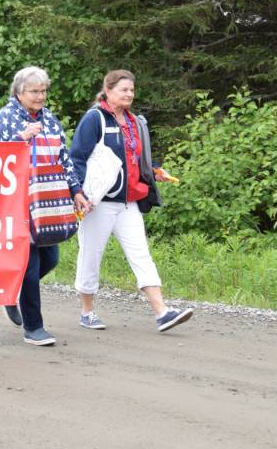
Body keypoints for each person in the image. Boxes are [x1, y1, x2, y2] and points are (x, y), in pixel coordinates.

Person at [69, 69, 193, 332]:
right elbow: (77, 157)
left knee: (141, 254)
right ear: (109, 90)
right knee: (91, 256)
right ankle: (87, 312)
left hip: (129, 202)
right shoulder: (95, 119)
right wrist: (77, 192)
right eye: (124, 89)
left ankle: (162, 312)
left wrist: (156, 170)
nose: (129, 94)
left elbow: (136, 156)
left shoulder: (135, 122)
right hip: (99, 202)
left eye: (132, 90)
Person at [0, 66, 90, 346]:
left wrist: (76, 190)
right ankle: (34, 328)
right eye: (34, 91)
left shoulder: (51, 120)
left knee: (51, 259)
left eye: (43, 91)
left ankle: (14, 290)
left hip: (49, 203)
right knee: (29, 265)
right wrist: (20, 139)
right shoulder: (5, 119)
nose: (40, 96)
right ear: (19, 93)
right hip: (18, 202)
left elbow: (64, 158)